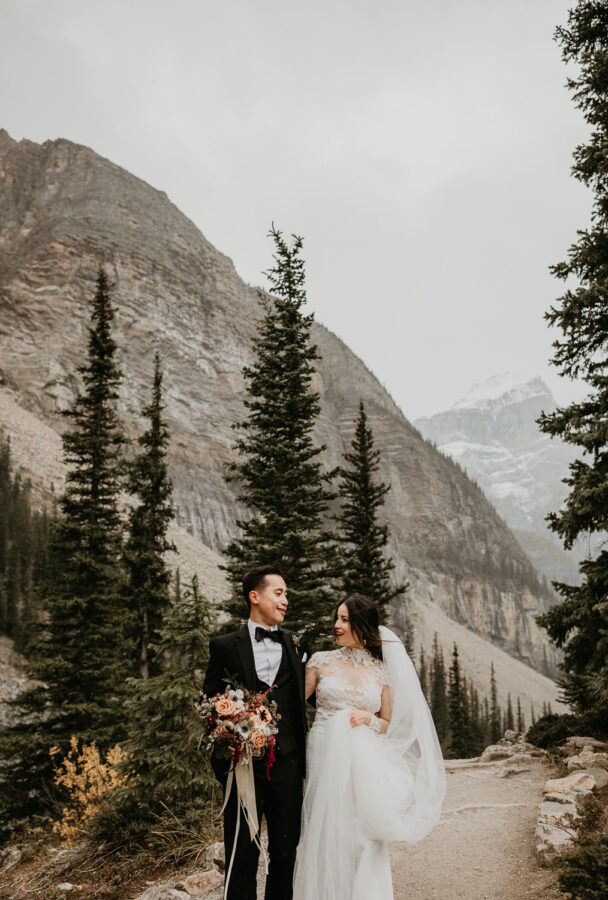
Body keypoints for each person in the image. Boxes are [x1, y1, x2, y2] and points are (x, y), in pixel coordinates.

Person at [293, 594, 446, 900]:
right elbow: (294, 702)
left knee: (362, 831)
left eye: (345, 620)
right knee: (329, 826)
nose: (337, 625)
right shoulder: (321, 661)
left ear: (361, 625)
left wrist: (367, 718)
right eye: (336, 618)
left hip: (364, 760)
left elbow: (386, 722)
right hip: (324, 754)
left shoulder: (380, 671)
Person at [202, 565, 308, 900]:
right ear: (255, 596)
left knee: (286, 852)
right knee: (241, 854)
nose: (285, 600)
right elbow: (208, 704)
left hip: (288, 765)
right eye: (279, 593)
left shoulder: (296, 644)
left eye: (286, 594)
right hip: (242, 767)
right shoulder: (224, 645)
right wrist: (226, 740)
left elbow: (315, 694)